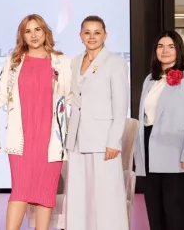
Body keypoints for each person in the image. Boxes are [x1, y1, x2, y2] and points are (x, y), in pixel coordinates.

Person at [0, 14, 71, 230]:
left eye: (37, 29)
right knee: (20, 191)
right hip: (21, 139)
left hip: (51, 140)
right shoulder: (14, 61)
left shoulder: (62, 62)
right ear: (22, 36)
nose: (34, 35)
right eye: (27, 31)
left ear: (45, 31)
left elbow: (72, 97)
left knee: (46, 193)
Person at [134, 30, 184, 230]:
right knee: (155, 212)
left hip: (176, 151)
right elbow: (145, 118)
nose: (165, 51)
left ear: (179, 49)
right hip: (150, 148)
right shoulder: (150, 79)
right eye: (160, 46)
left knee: (177, 213)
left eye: (171, 46)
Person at [65, 16, 129, 230]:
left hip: (103, 140)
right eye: (87, 32)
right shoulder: (74, 62)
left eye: (97, 32)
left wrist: (114, 141)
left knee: (106, 196)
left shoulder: (115, 63)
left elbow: (120, 105)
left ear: (105, 35)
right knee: (78, 196)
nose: (92, 37)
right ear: (80, 35)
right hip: (77, 138)